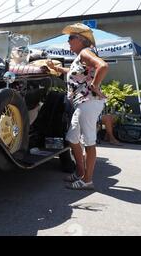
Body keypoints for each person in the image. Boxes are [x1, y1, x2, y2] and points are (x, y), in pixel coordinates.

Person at [46, 23, 109, 190]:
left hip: (87, 102)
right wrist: (56, 68)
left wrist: (95, 85)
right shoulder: (81, 55)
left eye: (70, 38)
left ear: (81, 40)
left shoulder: (84, 52)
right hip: (82, 103)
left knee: (89, 142)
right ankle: (80, 172)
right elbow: (75, 72)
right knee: (72, 138)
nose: (68, 42)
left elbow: (102, 66)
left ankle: (87, 180)